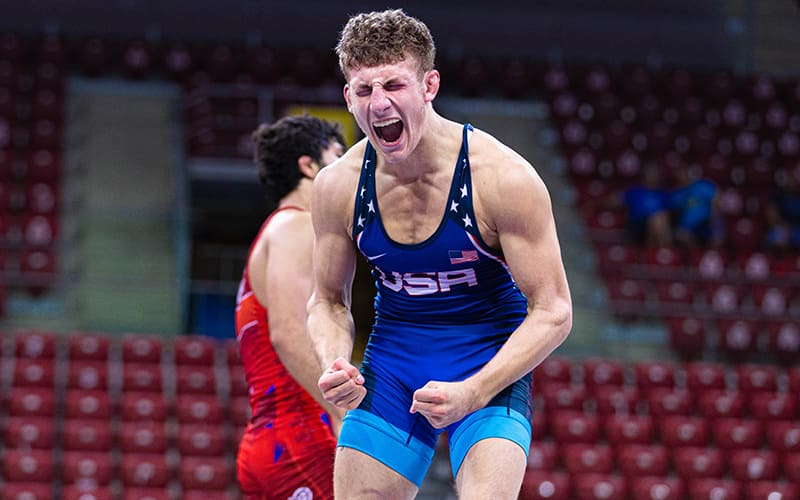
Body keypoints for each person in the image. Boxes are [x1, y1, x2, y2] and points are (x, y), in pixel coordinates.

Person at [306, 9, 572, 499]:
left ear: (429, 85)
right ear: (348, 98)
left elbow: (554, 311)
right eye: (364, 91)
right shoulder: (337, 187)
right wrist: (333, 360)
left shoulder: (501, 178)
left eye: (393, 86)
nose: (379, 104)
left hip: (486, 360)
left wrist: (475, 389)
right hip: (392, 363)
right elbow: (326, 301)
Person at [234, 115, 346, 500]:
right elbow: (287, 333)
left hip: (275, 440)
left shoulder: (274, 233)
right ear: (308, 165)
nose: (347, 166)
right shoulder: (295, 227)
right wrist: (348, 413)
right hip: (299, 441)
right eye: (337, 154)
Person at [668, 164, 724, 248]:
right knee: (682, 236)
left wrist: (713, 216)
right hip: (687, 229)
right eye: (679, 174)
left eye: (683, 173)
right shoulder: (676, 194)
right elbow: (674, 214)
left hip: (707, 223)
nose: (681, 176)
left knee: (717, 231)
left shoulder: (702, 186)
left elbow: (717, 198)